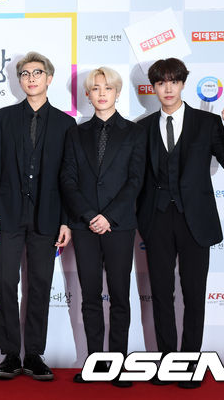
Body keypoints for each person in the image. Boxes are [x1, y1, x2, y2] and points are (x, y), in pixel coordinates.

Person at [136, 58, 224, 389]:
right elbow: (136, 179)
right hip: (156, 220)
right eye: (161, 83)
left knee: (194, 294)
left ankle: (189, 363)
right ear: (153, 88)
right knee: (161, 293)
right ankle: (167, 361)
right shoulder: (142, 127)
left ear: (183, 84)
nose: (168, 88)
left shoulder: (207, 123)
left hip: (195, 219)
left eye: (174, 81)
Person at [0, 51, 75, 381]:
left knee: (40, 284)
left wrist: (66, 220)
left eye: (38, 73)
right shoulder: (3, 118)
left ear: (49, 79)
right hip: (7, 216)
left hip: (47, 217)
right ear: (19, 80)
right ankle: (10, 354)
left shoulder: (65, 124)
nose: (31, 78)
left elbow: (69, 177)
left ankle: (34, 353)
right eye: (25, 73)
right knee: (6, 283)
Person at [60, 67, 145, 387]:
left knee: (120, 296)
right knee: (90, 297)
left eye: (107, 88)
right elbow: (67, 179)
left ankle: (118, 364)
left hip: (119, 226)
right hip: (84, 227)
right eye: (95, 88)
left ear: (117, 93)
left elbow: (135, 180)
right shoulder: (75, 133)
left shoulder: (134, 132)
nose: (101, 93)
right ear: (87, 94)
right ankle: (95, 363)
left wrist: (109, 216)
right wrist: (88, 215)